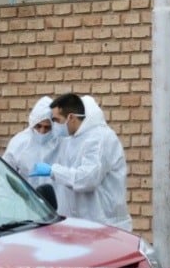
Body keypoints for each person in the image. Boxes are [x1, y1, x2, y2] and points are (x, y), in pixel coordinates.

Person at [29, 92, 133, 231]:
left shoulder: (99, 139)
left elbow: (88, 179)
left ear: (70, 117)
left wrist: (53, 171)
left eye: (57, 120)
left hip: (105, 225)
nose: (55, 125)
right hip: (83, 225)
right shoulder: (73, 139)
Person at [3, 96, 60, 188]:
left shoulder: (59, 142)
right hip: (27, 199)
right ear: (32, 123)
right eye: (38, 126)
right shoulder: (19, 142)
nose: (42, 131)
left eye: (47, 127)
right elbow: (5, 174)